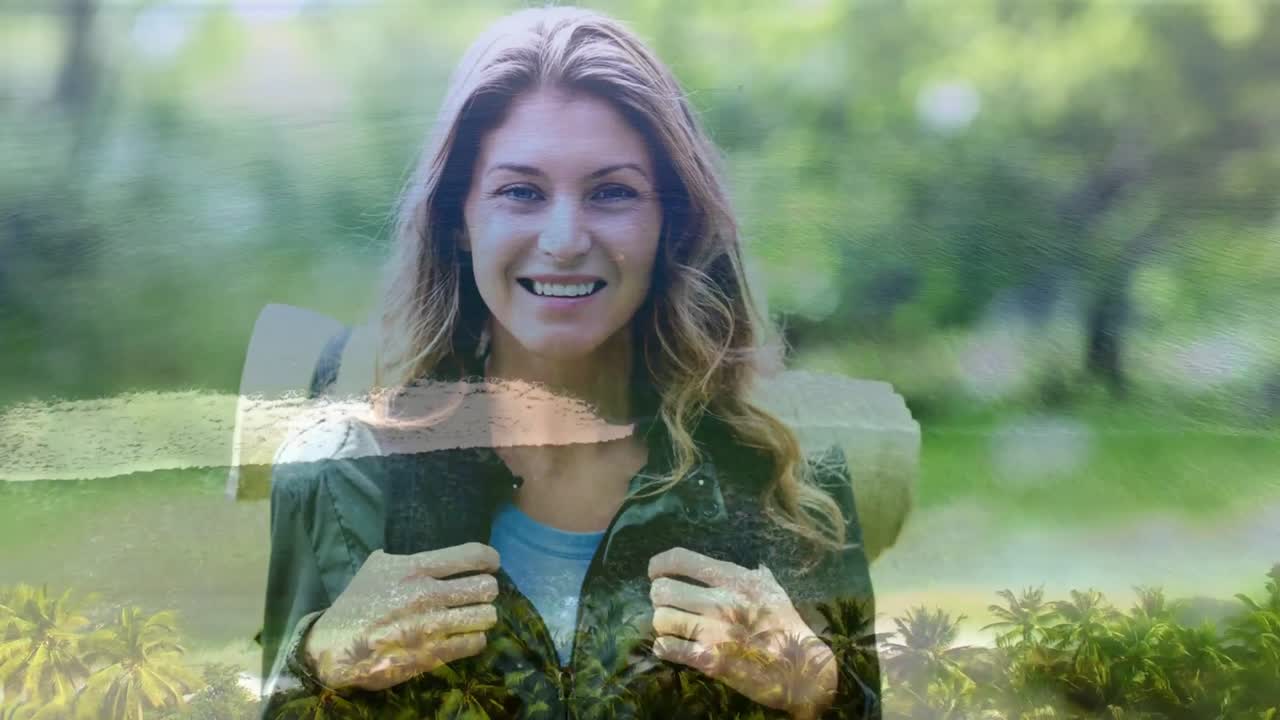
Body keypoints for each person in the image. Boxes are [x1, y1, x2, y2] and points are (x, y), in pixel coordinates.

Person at [259, 7, 886, 719]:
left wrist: (822, 695)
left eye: (612, 192)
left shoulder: (793, 482)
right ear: (458, 220)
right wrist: (314, 664)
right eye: (521, 192)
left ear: (671, 222)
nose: (564, 240)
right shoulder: (343, 476)